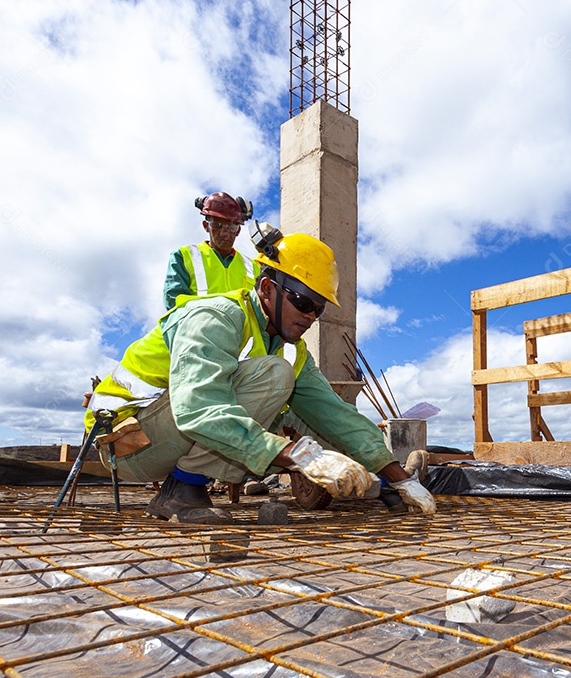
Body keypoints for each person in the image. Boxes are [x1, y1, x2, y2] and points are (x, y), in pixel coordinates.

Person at [86, 224, 435, 524]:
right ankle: (182, 489)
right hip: (127, 444)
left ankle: (381, 486)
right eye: (302, 302)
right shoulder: (216, 317)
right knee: (275, 377)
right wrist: (300, 456)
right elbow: (198, 407)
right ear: (267, 289)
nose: (310, 316)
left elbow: (335, 414)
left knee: (309, 416)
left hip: (165, 435)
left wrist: (397, 476)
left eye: (318, 309)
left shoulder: (291, 347)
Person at [163, 192, 262, 310]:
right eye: (217, 225)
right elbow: (174, 304)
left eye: (231, 227)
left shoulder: (254, 268)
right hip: (200, 322)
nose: (224, 233)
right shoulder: (183, 257)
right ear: (206, 226)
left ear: (238, 231)